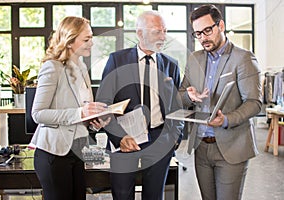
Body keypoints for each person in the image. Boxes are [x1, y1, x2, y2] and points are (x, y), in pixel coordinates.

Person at [96, 10, 183, 200]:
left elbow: (178, 107)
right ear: (140, 33)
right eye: (156, 32)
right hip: (125, 139)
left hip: (160, 139)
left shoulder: (171, 65)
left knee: (154, 195)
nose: (163, 36)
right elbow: (103, 104)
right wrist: (118, 138)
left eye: (165, 31)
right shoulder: (117, 60)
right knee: (122, 194)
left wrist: (174, 138)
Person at [179, 4, 262, 200]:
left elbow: (254, 102)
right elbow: (180, 94)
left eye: (207, 30)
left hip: (232, 148)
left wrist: (226, 119)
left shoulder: (243, 59)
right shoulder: (194, 59)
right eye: (198, 33)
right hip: (201, 146)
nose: (203, 38)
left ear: (221, 25)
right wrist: (189, 96)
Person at [30, 16, 110, 200]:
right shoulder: (52, 68)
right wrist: (80, 113)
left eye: (92, 37)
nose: (92, 43)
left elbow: (81, 111)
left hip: (77, 152)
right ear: (69, 41)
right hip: (54, 154)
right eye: (86, 39)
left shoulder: (81, 68)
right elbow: (38, 114)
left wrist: (93, 121)